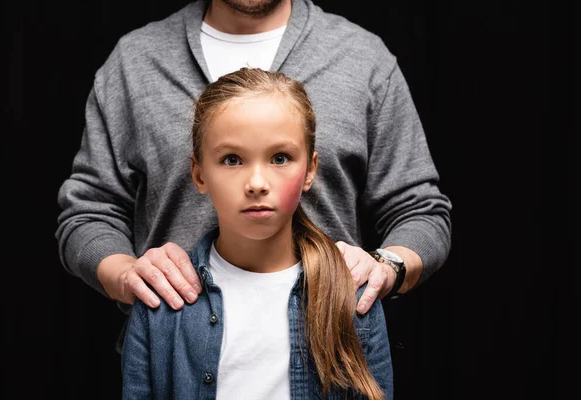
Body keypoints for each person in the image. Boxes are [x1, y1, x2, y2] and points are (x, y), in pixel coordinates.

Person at [56, 0, 452, 350]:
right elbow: (89, 211)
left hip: (329, 354)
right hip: (177, 351)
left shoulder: (363, 58)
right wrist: (124, 274)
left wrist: (387, 267)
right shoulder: (135, 61)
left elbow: (420, 210)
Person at [121, 67, 393, 399]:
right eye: (232, 159)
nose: (257, 184)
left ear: (309, 170)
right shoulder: (160, 302)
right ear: (199, 173)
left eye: (280, 158)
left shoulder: (352, 294)